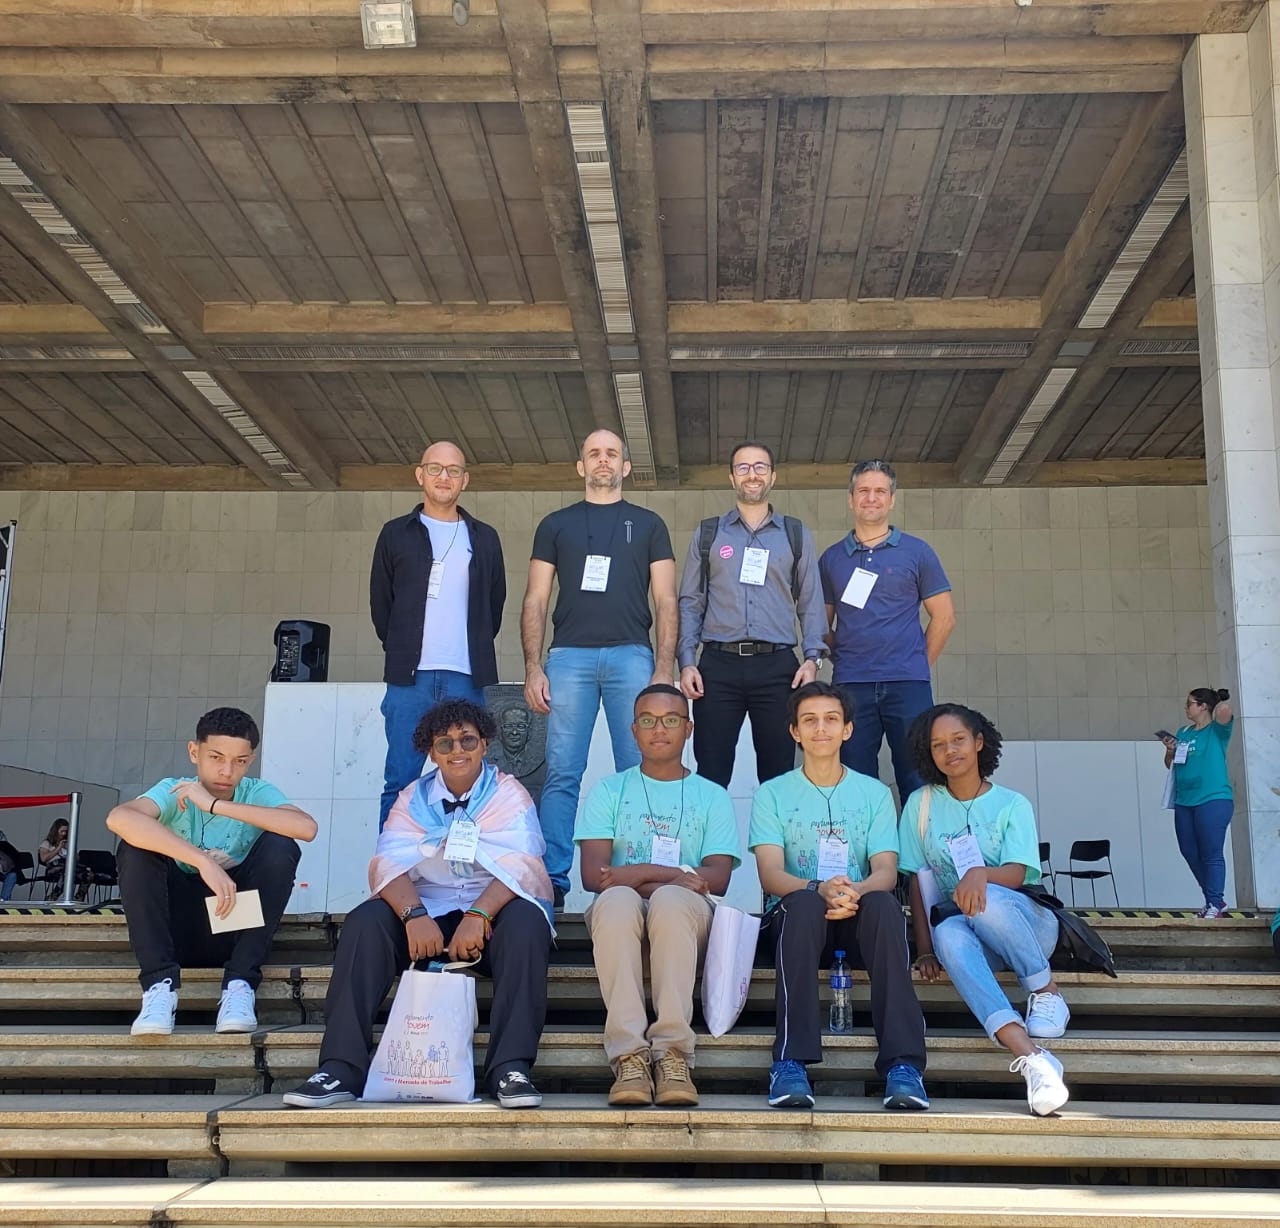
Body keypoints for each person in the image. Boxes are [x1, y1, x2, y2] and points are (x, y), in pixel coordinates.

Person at [284, 699, 554, 1110]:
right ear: (432, 751)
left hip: (492, 914)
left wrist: (479, 915)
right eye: (445, 744)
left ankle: (510, 1069)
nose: (457, 751)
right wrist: (414, 916)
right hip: (425, 914)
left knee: (527, 925)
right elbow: (388, 862)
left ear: (485, 744)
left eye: (467, 740)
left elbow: (524, 864)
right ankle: (340, 1068)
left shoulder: (508, 793)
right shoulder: (414, 796)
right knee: (364, 922)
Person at [749, 681, 928, 1111]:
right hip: (795, 923)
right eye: (809, 721)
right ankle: (790, 1062)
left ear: (848, 729)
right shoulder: (772, 793)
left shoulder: (873, 793)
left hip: (858, 918)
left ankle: (904, 1067)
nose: (821, 729)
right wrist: (818, 889)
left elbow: (885, 871)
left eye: (831, 719)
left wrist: (854, 891)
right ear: (795, 731)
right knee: (804, 902)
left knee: (884, 903)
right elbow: (771, 875)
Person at [522, 429, 678, 904]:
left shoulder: (649, 524)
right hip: (569, 657)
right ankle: (551, 884)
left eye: (612, 454)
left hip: (633, 655)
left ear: (626, 466)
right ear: (581, 466)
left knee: (643, 770)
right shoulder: (555, 524)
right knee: (563, 774)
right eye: (594, 453)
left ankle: (644, 881)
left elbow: (667, 599)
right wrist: (533, 666)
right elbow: (536, 598)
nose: (603, 461)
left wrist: (663, 670)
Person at [900, 703, 1070, 1117]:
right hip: (970, 932)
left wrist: (979, 874)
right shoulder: (920, 805)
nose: (949, 751)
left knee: (986, 902)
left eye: (958, 740)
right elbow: (917, 884)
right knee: (948, 934)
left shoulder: (1012, 804)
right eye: (938, 745)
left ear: (979, 742)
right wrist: (924, 949)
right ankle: (1033, 1058)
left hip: (1025, 926)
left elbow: (1016, 873)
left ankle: (1046, 992)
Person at [575, 683, 740, 1107]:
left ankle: (672, 1054)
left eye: (670, 720)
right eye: (647, 720)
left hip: (686, 917)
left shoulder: (712, 796)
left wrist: (634, 872)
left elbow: (717, 879)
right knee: (614, 902)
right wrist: (675, 874)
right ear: (633, 730)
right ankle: (629, 1056)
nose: (658, 729)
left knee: (667, 901)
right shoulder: (609, 791)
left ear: (688, 728)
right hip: (623, 910)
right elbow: (595, 877)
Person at [106, 708, 316, 1036]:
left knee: (281, 845)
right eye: (216, 757)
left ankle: (240, 984)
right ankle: (158, 988)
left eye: (240, 761)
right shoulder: (175, 790)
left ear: (250, 761)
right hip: (176, 928)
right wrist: (204, 863)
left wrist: (214, 805)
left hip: (233, 926)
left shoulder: (256, 792)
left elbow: (306, 827)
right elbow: (119, 818)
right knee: (135, 847)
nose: (226, 770)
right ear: (194, 752)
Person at [370, 440, 506, 828]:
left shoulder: (484, 537)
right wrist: (402, 648)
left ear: (465, 479)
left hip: (467, 675)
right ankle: (393, 876)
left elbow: (493, 605)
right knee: (400, 778)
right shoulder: (395, 534)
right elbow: (382, 605)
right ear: (420, 475)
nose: (443, 477)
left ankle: (463, 874)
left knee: (468, 779)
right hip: (409, 678)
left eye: (452, 470)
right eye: (435, 469)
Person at [676, 440, 827, 789]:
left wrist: (813, 658)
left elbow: (810, 598)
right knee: (711, 774)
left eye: (760, 467)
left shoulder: (795, 533)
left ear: (772, 476)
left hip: (778, 669)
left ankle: (773, 847)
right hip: (718, 666)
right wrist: (687, 661)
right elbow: (691, 600)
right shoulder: (710, 533)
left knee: (778, 777)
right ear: (732, 478)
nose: (752, 474)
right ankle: (711, 846)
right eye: (743, 468)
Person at [819, 459, 955, 799]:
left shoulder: (917, 552)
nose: (871, 498)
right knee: (853, 780)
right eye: (863, 491)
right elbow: (820, 624)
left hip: (908, 684)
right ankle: (866, 855)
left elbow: (944, 617)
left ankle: (918, 854)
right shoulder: (832, 558)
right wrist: (847, 657)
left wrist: (918, 664)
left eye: (880, 491)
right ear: (851, 499)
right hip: (851, 684)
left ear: (892, 499)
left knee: (919, 777)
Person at [1161, 688, 1234, 918]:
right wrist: (1170, 751)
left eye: (1190, 703)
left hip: (1213, 798)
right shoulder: (1184, 732)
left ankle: (1214, 901)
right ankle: (1214, 900)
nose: (1186, 708)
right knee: (1189, 851)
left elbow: (1225, 712)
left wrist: (1219, 698)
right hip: (1185, 800)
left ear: (1203, 706)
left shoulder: (1216, 731)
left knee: (1211, 852)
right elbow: (1170, 764)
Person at [37, 818, 89, 901]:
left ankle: (79, 897)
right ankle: (53, 896)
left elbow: (77, 859)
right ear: (56, 831)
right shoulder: (47, 843)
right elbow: (43, 858)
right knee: (66, 872)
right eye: (62, 831)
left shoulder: (67, 843)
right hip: (54, 867)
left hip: (69, 867)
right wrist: (58, 848)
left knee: (88, 874)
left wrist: (71, 848)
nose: (64, 834)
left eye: (66, 831)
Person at [0, 827, 19, 900]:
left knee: (12, 875)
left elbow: (16, 858)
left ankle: (3, 901)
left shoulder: (5, 846)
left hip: (6, 871)